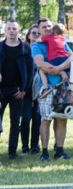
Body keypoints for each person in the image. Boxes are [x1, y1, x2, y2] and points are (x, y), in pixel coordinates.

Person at [32, 18, 73, 161]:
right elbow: (41, 64)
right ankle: (44, 152)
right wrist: (60, 71)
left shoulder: (61, 40)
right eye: (43, 26)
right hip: (47, 88)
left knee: (62, 119)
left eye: (49, 26)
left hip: (65, 87)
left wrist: (59, 68)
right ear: (39, 29)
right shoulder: (37, 46)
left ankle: (59, 150)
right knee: (46, 120)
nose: (47, 28)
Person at [0, 20, 33, 159]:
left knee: (15, 123)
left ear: (18, 30)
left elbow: (30, 70)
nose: (11, 31)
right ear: (5, 31)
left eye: (14, 28)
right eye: (9, 28)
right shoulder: (0, 47)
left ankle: (12, 153)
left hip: (17, 91)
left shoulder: (25, 48)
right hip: (1, 91)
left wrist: (24, 90)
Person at [37, 23, 73, 100]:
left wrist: (39, 39)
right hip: (64, 58)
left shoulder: (49, 37)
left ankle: (46, 88)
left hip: (55, 59)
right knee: (71, 74)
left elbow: (39, 40)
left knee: (41, 71)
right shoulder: (63, 39)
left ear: (53, 30)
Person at [22, 25, 41, 154]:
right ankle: (24, 147)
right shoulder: (23, 49)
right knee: (26, 118)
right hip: (26, 89)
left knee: (38, 118)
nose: (36, 36)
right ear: (28, 35)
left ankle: (35, 146)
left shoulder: (42, 49)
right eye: (33, 33)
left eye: (38, 34)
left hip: (40, 88)